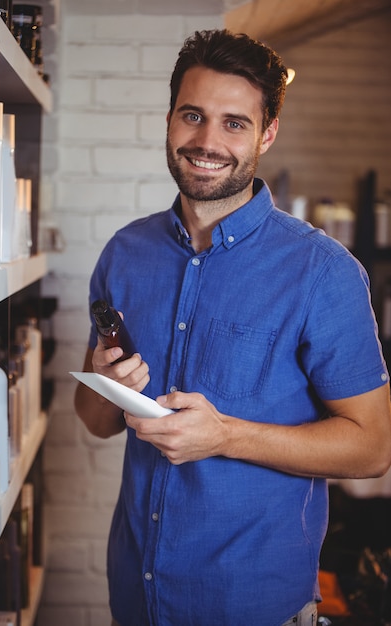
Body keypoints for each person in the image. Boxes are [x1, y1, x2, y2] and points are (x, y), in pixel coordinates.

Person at [74, 29, 391, 626]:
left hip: (255, 607)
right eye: (192, 116)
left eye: (234, 123)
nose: (207, 141)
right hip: (135, 599)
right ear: (169, 119)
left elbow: (373, 448)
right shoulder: (125, 253)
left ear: (267, 133)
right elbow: (94, 422)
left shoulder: (324, 273)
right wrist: (101, 379)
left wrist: (224, 436)